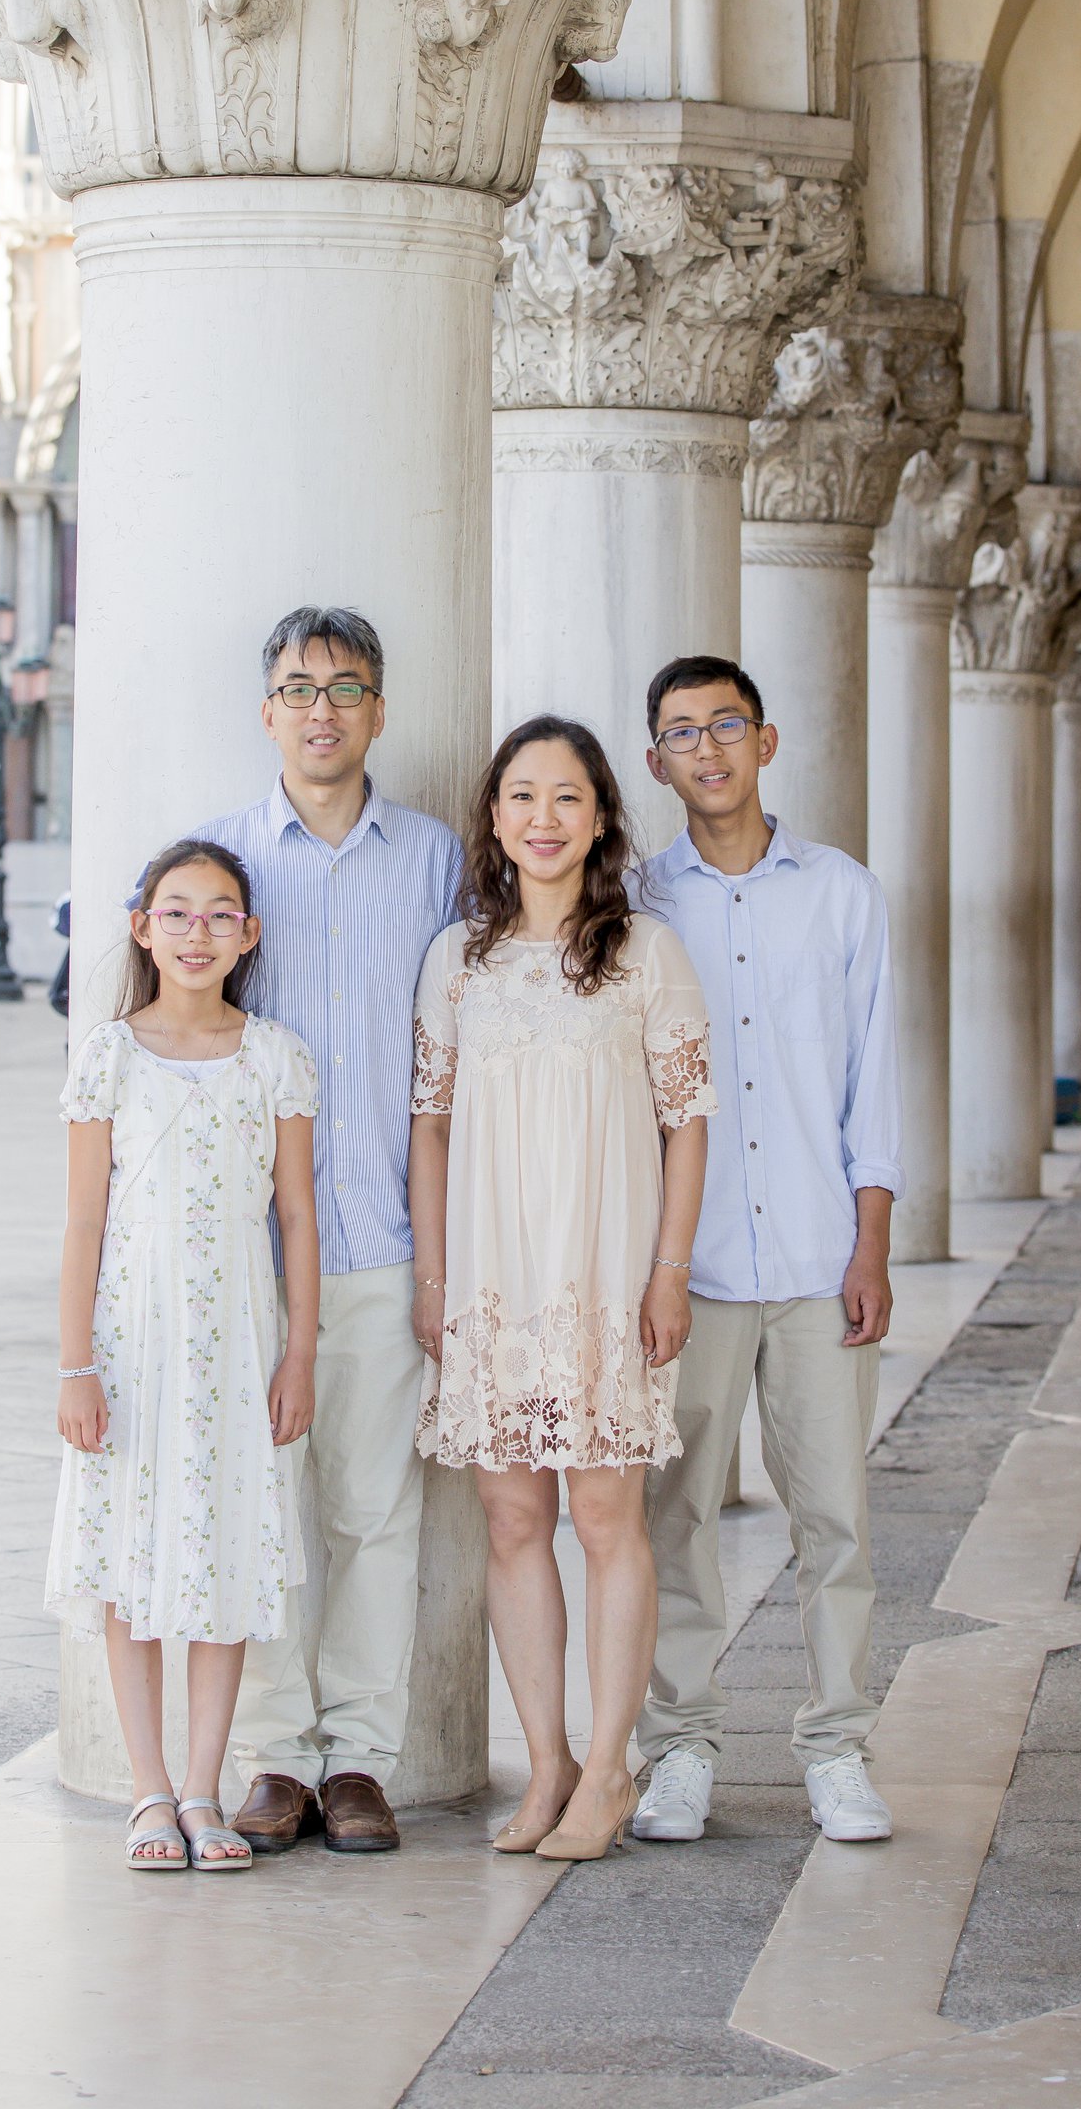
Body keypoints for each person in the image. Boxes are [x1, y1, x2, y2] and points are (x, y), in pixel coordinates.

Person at [410, 717, 714, 1860]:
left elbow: (688, 1126)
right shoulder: (456, 961)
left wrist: (668, 1272)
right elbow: (430, 1127)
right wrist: (437, 1280)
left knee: (603, 1515)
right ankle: (548, 1766)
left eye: (567, 797)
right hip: (494, 1279)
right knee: (511, 1518)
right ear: (494, 818)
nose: (543, 818)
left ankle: (613, 1767)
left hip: (602, 1275)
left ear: (600, 819)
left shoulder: (647, 953)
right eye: (523, 797)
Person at [196, 607, 462, 1857]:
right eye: (299, 689)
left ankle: (359, 1757)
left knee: (374, 1514)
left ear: (378, 712)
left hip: (388, 1237)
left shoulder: (437, 861)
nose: (321, 711)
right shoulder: (225, 865)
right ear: (268, 712)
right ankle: (276, 1757)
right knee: (265, 1510)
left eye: (345, 689)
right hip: (252, 1253)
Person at [630, 655, 902, 1848]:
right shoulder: (637, 903)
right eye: (683, 732)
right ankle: (679, 1749)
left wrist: (871, 1244)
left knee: (834, 1520)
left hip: (814, 1257)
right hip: (684, 1274)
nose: (708, 748)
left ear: (767, 740)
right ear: (656, 762)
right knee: (673, 1520)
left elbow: (872, 1079)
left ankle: (837, 1748)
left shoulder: (841, 893)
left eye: (726, 724)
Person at [48, 840, 322, 1873]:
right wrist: (75, 1365)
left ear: (249, 934)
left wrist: (299, 1354)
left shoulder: (274, 1056)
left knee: (224, 1556)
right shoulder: (109, 1057)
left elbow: (296, 1216)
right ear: (142, 927)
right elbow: (83, 1222)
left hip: (237, 1345)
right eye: (177, 912)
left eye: (218, 914)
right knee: (132, 1563)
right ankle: (149, 1790)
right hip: (131, 1342)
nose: (196, 933)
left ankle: (205, 1789)